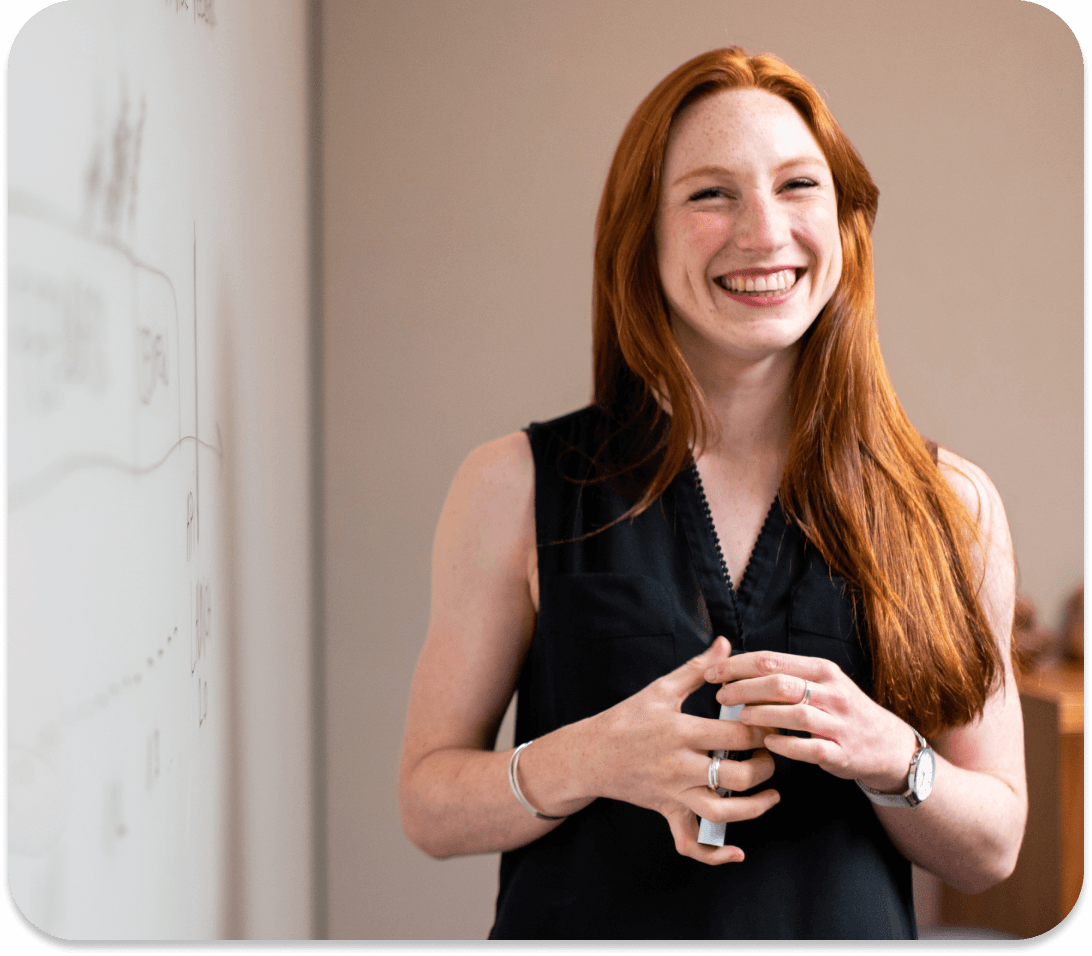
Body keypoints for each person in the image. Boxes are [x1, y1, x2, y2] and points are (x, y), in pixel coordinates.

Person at [398, 47, 1026, 940]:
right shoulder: (512, 486)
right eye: (711, 194)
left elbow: (994, 845)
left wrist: (894, 758)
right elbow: (427, 803)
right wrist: (588, 758)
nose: (764, 233)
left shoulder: (954, 505)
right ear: (640, 236)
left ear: (845, 221)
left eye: (798, 185)